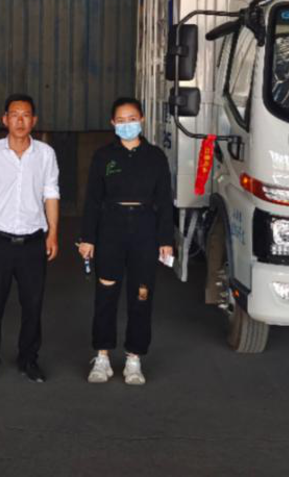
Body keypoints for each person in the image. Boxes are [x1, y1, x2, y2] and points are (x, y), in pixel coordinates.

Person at [77, 97, 174, 386]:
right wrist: (87, 238)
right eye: (121, 120)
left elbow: (164, 201)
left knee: (141, 294)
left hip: (144, 228)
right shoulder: (104, 156)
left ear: (141, 119)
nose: (127, 124)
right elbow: (92, 200)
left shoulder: (155, 156)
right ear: (113, 124)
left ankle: (134, 358)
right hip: (111, 228)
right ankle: (102, 357)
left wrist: (165, 239)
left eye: (132, 119)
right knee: (106, 294)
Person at [0, 94, 60, 384]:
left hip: (33, 242)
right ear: (5, 119)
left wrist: (53, 233)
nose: (20, 121)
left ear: (34, 120)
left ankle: (29, 360)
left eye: (26, 115)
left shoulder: (45, 154)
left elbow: (51, 193)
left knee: (33, 306)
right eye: (14, 115)